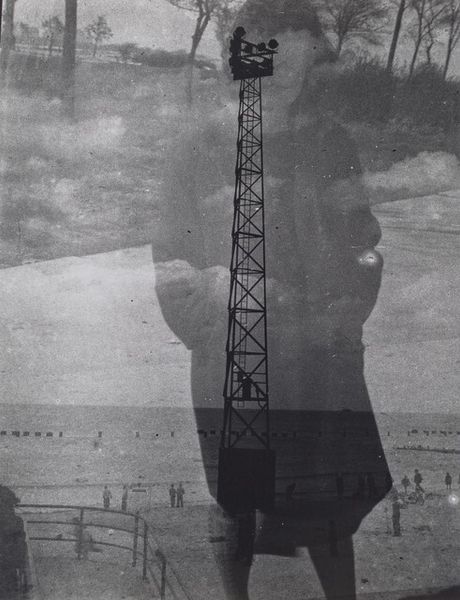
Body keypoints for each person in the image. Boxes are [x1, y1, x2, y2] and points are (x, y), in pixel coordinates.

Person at [152, 1, 391, 597]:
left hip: (320, 349)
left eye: (295, 47)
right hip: (234, 347)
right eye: (265, 47)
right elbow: (170, 257)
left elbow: (362, 240)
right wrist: (211, 320)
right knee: (236, 494)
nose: (281, 64)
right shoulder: (197, 143)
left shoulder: (331, 141)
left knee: (330, 497)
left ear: (313, 55)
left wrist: (347, 312)